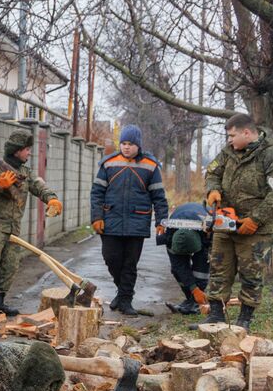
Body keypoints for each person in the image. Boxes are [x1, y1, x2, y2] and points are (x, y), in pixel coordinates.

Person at [202, 113, 273, 330]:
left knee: (251, 274)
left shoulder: (272, 157)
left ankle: (244, 320)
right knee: (218, 269)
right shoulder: (227, 153)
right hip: (225, 223)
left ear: (247, 132)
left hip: (257, 230)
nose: (229, 140)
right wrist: (213, 190)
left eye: (232, 135)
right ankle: (215, 316)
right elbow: (213, 172)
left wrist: (256, 219)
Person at [0, 128, 62, 316]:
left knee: (11, 265)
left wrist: (52, 199)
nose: (29, 153)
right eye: (27, 149)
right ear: (17, 150)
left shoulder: (25, 172)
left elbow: (39, 186)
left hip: (14, 227)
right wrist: (1, 185)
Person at [89, 125, 168, 315]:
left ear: (138, 145)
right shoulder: (108, 164)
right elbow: (97, 193)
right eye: (123, 143)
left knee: (129, 263)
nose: (126, 147)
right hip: (110, 220)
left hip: (137, 221)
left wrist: (161, 221)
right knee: (111, 259)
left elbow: (158, 196)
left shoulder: (150, 165)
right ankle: (123, 292)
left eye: (130, 144)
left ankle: (125, 300)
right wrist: (97, 217)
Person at [158, 202, 211, 315]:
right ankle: (190, 299)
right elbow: (179, 267)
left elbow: (206, 264)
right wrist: (193, 289)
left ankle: (196, 302)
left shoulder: (208, 231)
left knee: (200, 271)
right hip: (180, 224)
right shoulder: (169, 236)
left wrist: (199, 289)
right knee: (178, 271)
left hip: (203, 229)